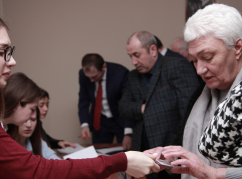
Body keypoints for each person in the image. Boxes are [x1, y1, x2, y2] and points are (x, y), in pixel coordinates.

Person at [0, 18, 160, 179]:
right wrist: (121, 161)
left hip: (118, 121)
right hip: (100, 124)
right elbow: (39, 169)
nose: (12, 61)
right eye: (2, 52)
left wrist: (127, 136)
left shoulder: (120, 74)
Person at [144, 3, 242, 179]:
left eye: (207, 58)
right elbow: (185, 141)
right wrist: (169, 154)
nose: (199, 70)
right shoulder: (201, 92)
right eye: (195, 60)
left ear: (238, 48)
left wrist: (214, 173)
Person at [119, 31, 202, 179]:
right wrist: (142, 108)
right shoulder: (133, 76)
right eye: (130, 56)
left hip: (171, 153)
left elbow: (189, 113)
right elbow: (123, 108)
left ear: (153, 50)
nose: (133, 62)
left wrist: (177, 151)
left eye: (137, 55)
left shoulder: (176, 65)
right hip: (143, 154)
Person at [78, 53, 133, 150]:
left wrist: (128, 132)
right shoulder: (83, 75)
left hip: (121, 119)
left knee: (125, 153)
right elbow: (83, 100)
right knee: (99, 153)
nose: (91, 80)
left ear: (104, 67)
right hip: (100, 121)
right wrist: (84, 124)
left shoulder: (121, 73)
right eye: (88, 77)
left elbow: (128, 103)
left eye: (94, 76)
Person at [7, 88, 60, 159]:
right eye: (25, 120)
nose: (29, 125)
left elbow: (54, 159)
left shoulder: (37, 141)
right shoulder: (6, 143)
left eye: (33, 119)